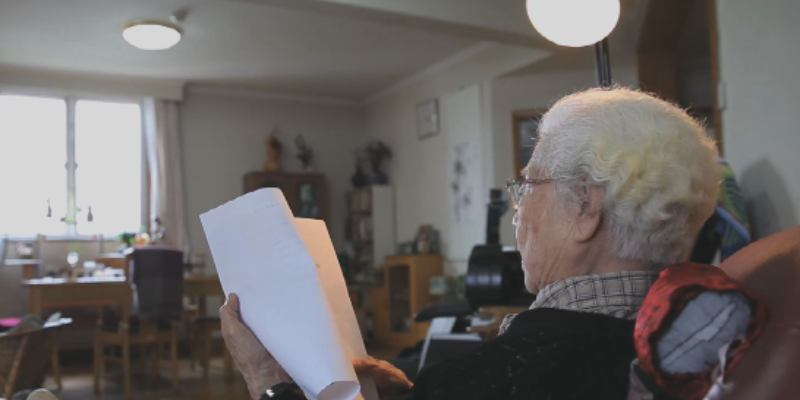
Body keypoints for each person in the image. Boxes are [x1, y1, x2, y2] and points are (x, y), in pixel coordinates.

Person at [220, 87, 721, 400]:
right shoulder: (702, 341)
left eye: (528, 186)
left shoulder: (504, 375)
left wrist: (268, 381)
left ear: (586, 207)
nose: (518, 212)